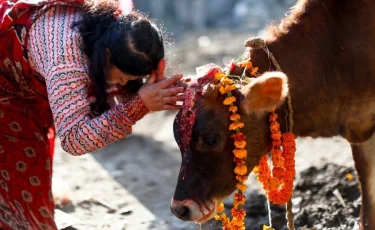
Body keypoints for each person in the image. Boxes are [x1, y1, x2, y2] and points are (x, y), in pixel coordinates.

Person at [0, 0, 185, 229]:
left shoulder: (115, 27)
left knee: (30, 179)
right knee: (17, 191)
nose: (124, 84)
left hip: (26, 83)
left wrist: (162, 88)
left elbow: (111, 88)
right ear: (106, 55)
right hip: (6, 93)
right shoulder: (66, 60)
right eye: (122, 78)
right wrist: (138, 106)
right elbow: (74, 139)